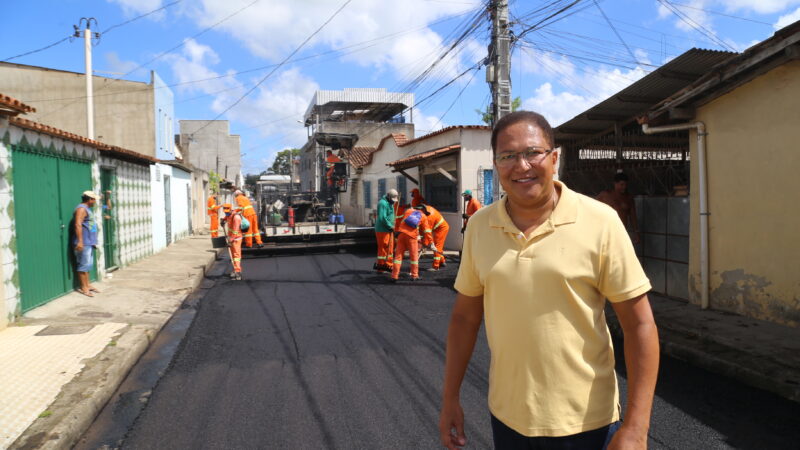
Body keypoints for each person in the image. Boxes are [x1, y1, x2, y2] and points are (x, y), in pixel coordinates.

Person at [439, 111, 659, 450]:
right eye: (508, 156)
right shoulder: (481, 226)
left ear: (554, 158)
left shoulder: (601, 221)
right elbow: (465, 317)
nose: (521, 166)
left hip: (588, 423)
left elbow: (640, 325)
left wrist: (636, 429)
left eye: (532, 153)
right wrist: (450, 397)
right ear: (496, 164)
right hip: (508, 420)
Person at [596, 172, 641, 244]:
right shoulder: (605, 195)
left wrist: (636, 232)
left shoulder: (629, 198)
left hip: (621, 232)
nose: (624, 187)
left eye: (626, 185)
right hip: (606, 232)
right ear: (615, 184)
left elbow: (633, 217)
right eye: (622, 184)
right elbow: (593, 208)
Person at [391, 206, 432, 283]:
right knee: (414, 257)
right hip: (411, 236)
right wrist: (431, 243)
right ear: (423, 210)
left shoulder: (408, 211)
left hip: (401, 234)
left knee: (398, 256)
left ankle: (394, 276)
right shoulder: (423, 216)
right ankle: (414, 275)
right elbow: (427, 231)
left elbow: (403, 222)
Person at [73, 191, 101, 297]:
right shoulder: (81, 209)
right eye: (94, 199)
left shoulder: (87, 209)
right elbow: (77, 224)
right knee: (83, 265)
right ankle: (83, 287)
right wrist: (80, 241)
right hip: (83, 243)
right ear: (89, 199)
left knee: (88, 265)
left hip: (89, 242)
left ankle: (88, 284)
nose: (95, 202)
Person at [415, 204, 450, 270]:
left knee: (437, 247)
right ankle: (442, 261)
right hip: (438, 228)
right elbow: (423, 230)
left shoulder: (429, 218)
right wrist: (423, 242)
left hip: (442, 229)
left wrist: (426, 243)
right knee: (437, 247)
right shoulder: (426, 209)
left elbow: (428, 232)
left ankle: (435, 266)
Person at [374, 189, 398, 273]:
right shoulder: (382, 203)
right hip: (382, 230)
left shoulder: (390, 203)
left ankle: (388, 265)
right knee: (383, 248)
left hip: (388, 229)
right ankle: (381, 267)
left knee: (390, 248)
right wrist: (390, 225)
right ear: (388, 196)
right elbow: (382, 217)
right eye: (392, 199)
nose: (393, 202)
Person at [222, 203, 244, 280]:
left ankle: (238, 272)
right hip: (231, 237)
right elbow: (227, 217)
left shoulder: (236, 218)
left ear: (231, 209)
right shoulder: (229, 215)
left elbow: (235, 231)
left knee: (236, 256)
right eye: (225, 211)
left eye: (227, 211)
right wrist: (223, 220)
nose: (226, 213)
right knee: (233, 255)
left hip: (236, 239)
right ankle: (235, 269)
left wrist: (230, 241)